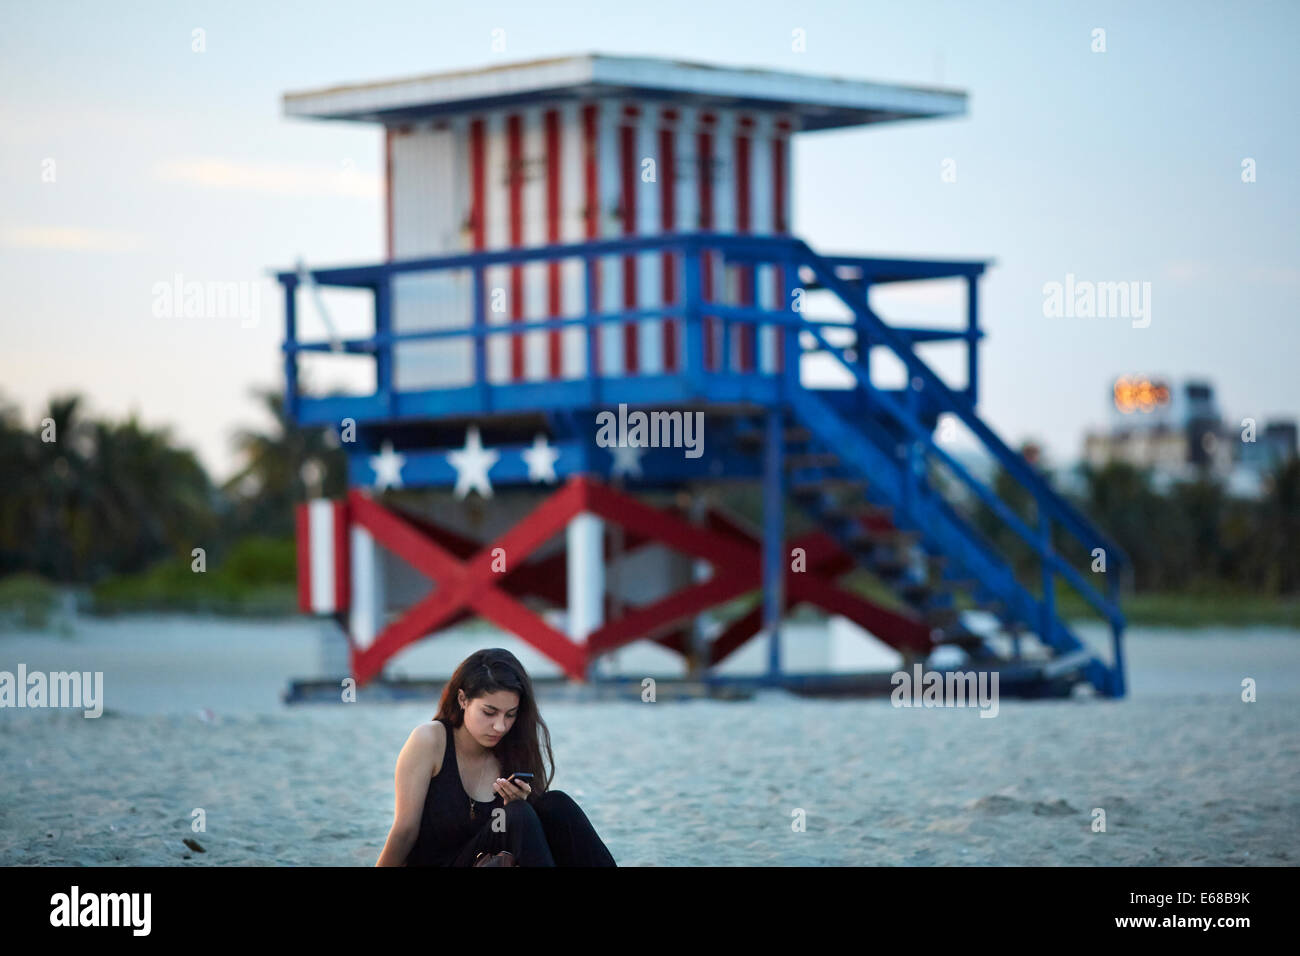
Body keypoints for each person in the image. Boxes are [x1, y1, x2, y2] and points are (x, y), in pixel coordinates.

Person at [375, 648, 616, 867]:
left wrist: (522, 803)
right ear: (463, 700)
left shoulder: (514, 748)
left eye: (510, 715)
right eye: (489, 713)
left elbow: (529, 839)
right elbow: (404, 831)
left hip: (491, 861)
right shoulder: (429, 740)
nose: (500, 726)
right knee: (517, 815)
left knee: (555, 804)